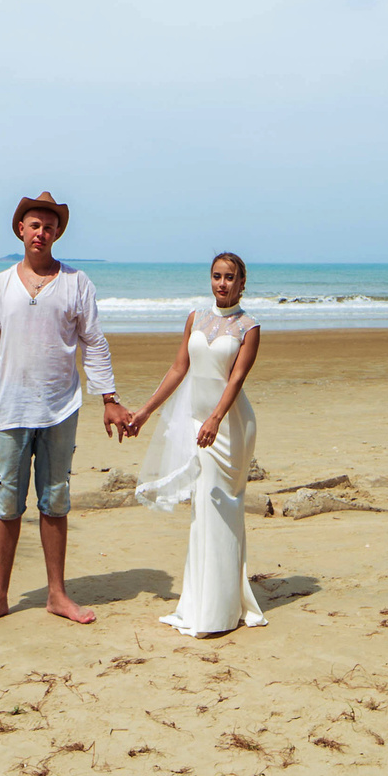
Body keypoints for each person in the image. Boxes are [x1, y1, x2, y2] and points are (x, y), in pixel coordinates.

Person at [0, 192, 133, 629]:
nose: (42, 232)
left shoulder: (77, 283)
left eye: (49, 226)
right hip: (10, 409)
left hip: (60, 408)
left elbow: (94, 342)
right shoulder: (1, 284)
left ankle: (57, 594)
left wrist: (108, 399)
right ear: (20, 229)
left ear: (57, 233)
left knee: (55, 502)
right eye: (34, 225)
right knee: (7, 504)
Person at [125, 251, 267, 637]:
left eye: (230, 277)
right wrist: (144, 412)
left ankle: (222, 612)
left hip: (230, 427)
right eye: (217, 276)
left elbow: (236, 380)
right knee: (200, 512)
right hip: (195, 423)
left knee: (222, 510)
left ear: (242, 283)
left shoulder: (249, 327)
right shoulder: (195, 318)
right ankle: (201, 606)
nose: (222, 283)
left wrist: (216, 418)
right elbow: (178, 369)